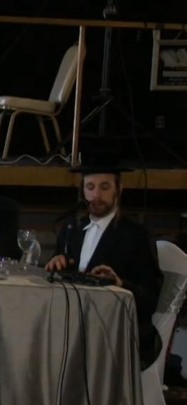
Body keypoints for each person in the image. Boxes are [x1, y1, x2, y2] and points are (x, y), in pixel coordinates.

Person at [44, 149, 163, 368]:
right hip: (73, 326)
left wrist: (120, 283)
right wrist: (55, 266)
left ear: (119, 189)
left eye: (105, 187)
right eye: (90, 187)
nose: (96, 195)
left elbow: (151, 298)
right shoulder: (72, 230)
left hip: (117, 333)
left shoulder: (136, 235)